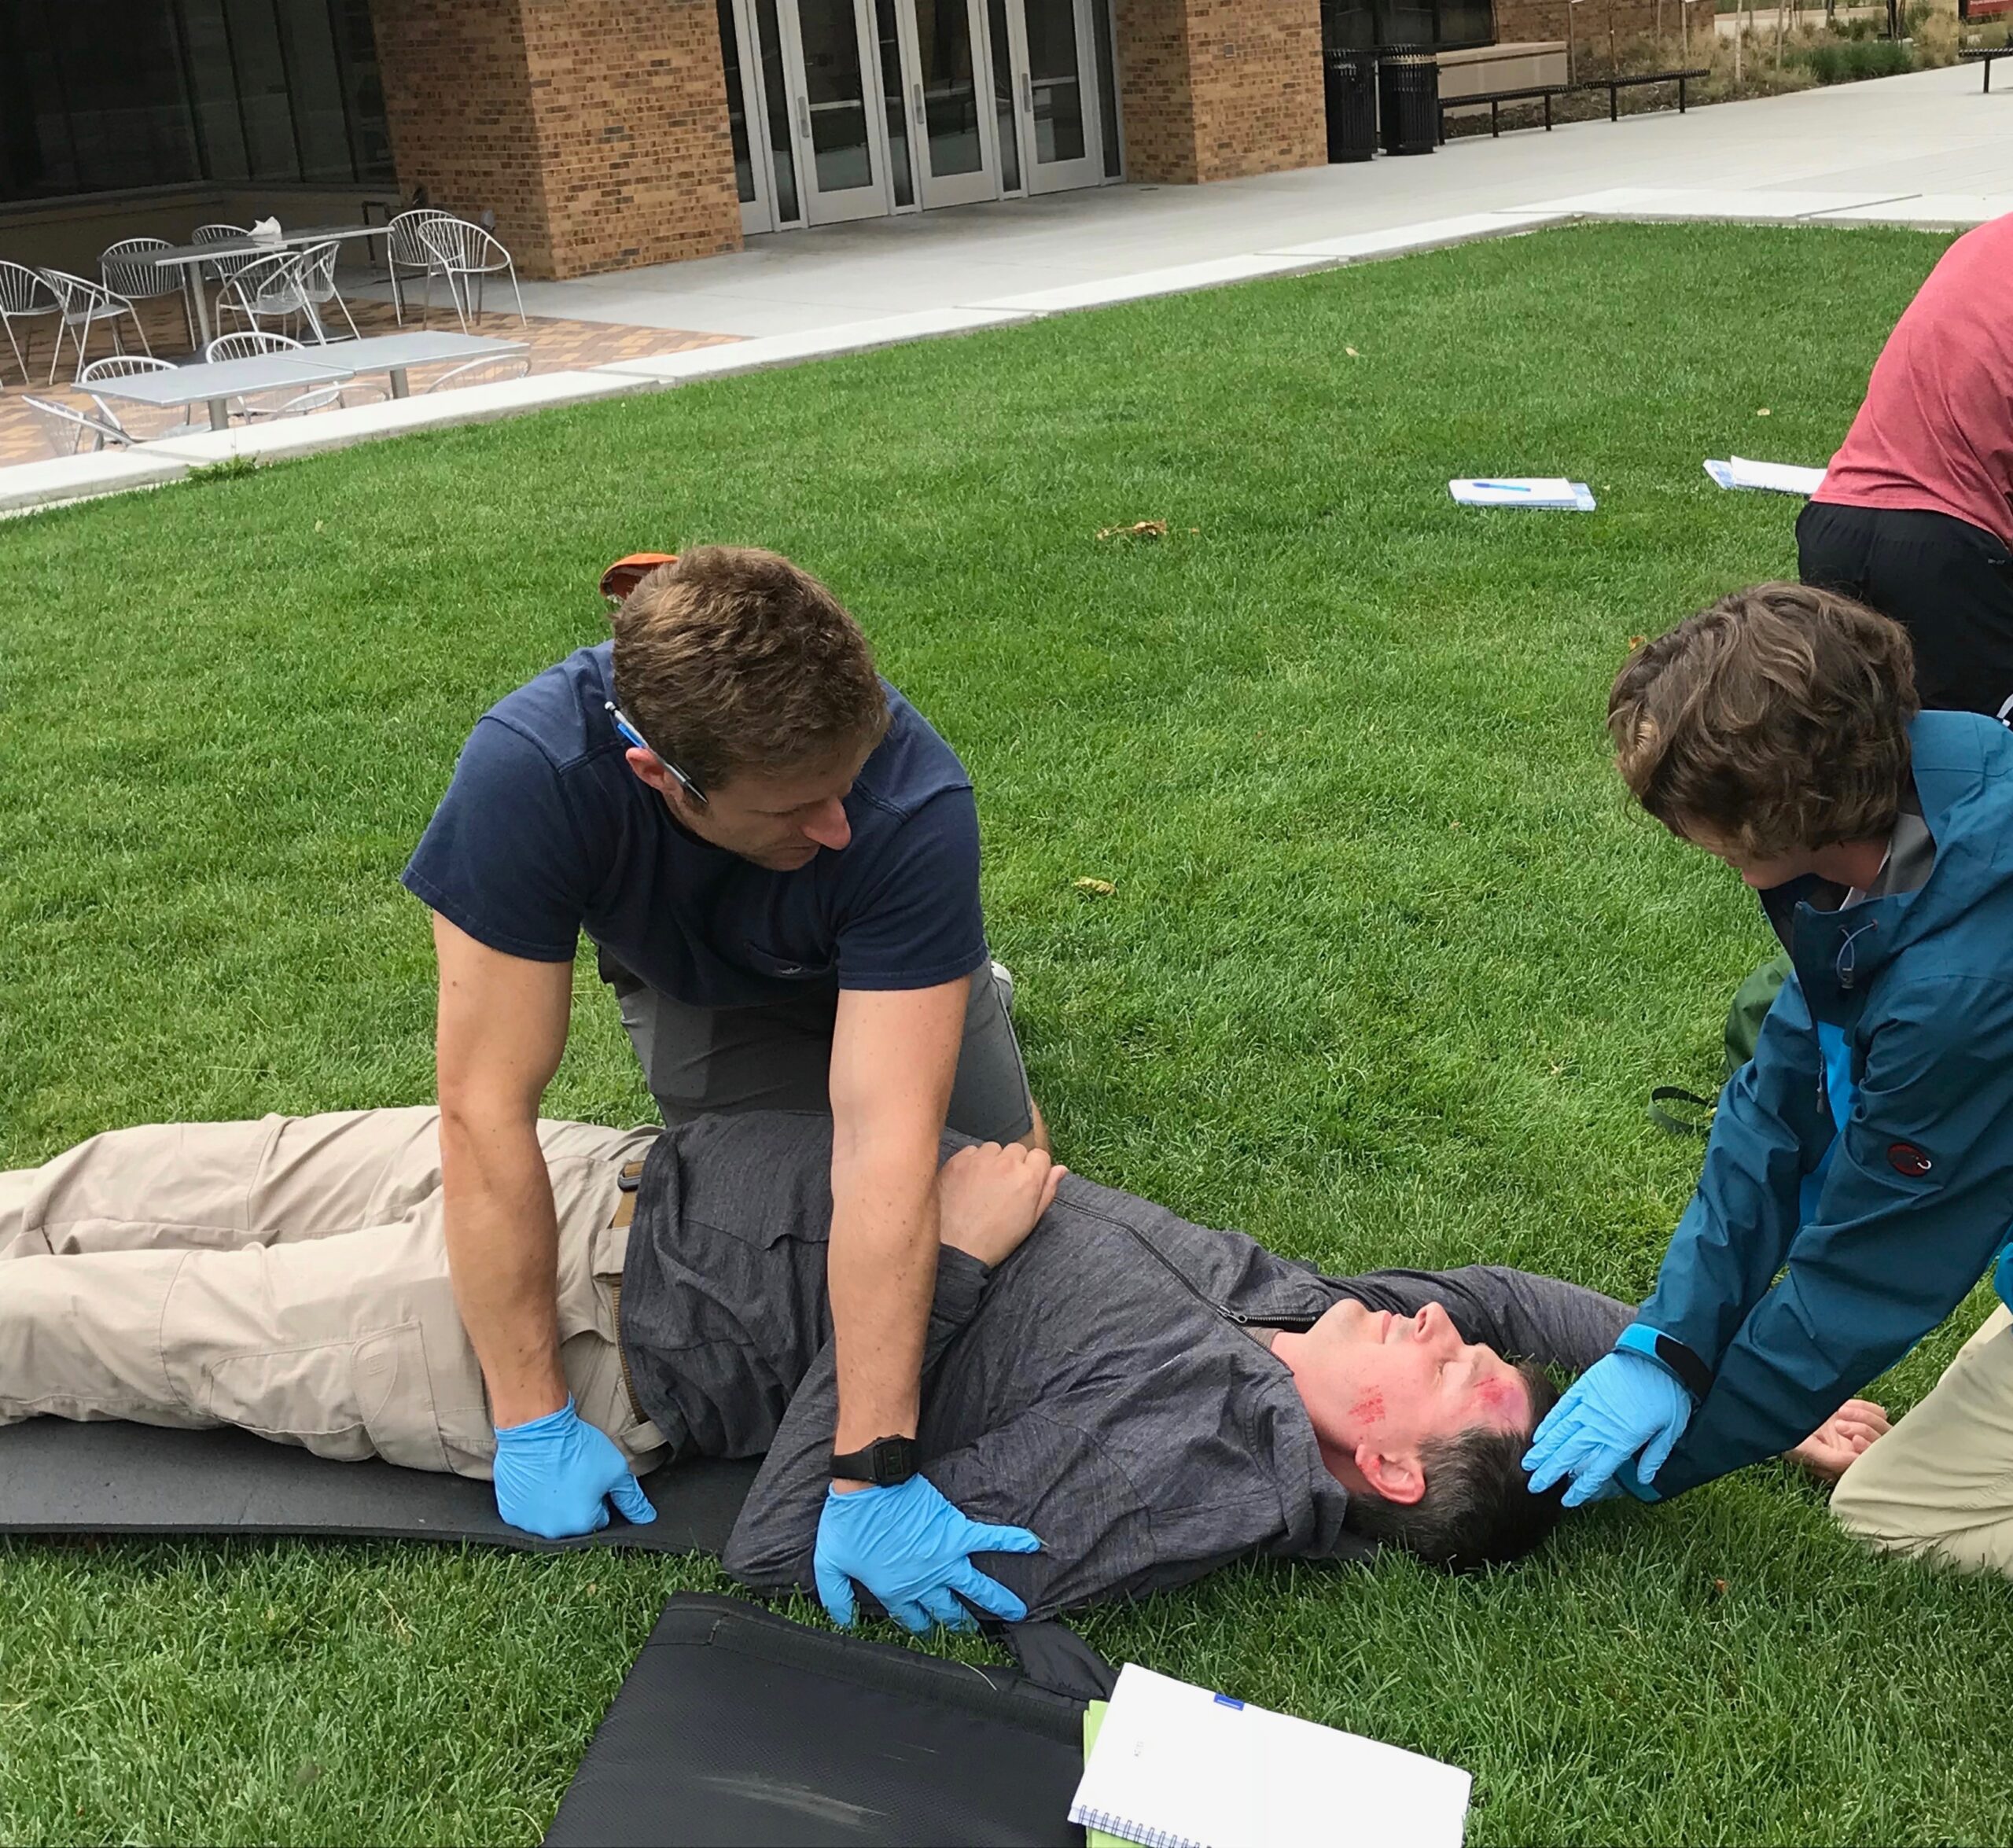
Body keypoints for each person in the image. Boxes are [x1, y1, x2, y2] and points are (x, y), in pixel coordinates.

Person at [1, 1104, 1876, 1620]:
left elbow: (794, 1538)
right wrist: (1721, 1385)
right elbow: (1521, 1303)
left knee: (81, 1323)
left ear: (1380, 1470)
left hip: (574, 1335)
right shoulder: (1316, 1313)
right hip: (589, 1170)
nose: (1440, 1323)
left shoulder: (1196, 1473)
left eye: (1445, 1374)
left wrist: (944, 1259)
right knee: (118, 1181)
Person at [399, 545, 1047, 1625]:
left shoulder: (902, 798)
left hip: (879, 934)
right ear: (661, 773)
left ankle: (955, 981)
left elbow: (885, 1151)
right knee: (762, 1209)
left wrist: (871, 1470)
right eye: (800, 807)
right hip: (696, 976)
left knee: (999, 1176)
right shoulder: (531, 773)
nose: (834, 822)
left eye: (845, 786)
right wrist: (531, 1414)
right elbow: (483, 1106)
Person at [1525, 583, 2013, 1572]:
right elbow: (1778, 1103)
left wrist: (1657, 1467)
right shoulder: (1912, 803)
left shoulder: (1958, 986)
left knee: (1889, 1514)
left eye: (1691, 821)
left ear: (1776, 817)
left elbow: (1872, 1269)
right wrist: (1666, 1347)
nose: (1683, 841)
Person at [1798, 212, 2013, 724]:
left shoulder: (1987, 243)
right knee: (1982, 777)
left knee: (1864, 772)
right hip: (1945, 548)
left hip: (1836, 521)